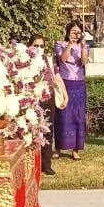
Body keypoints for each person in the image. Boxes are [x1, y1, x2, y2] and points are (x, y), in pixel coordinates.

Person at [53, 21, 89, 159]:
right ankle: (58, 148)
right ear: (68, 32)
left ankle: (76, 149)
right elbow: (63, 59)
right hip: (64, 82)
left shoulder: (83, 45)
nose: (76, 34)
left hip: (79, 83)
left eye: (78, 32)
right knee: (62, 114)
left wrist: (84, 48)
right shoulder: (59, 44)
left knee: (78, 116)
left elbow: (84, 62)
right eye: (73, 31)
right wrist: (70, 44)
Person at [30, 33, 64, 176]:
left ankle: (46, 164)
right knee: (33, 132)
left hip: (48, 99)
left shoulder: (48, 60)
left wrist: (65, 95)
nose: (39, 48)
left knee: (48, 132)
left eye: (41, 46)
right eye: (35, 45)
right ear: (30, 46)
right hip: (32, 100)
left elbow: (57, 78)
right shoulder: (25, 61)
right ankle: (32, 164)